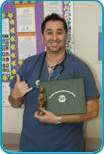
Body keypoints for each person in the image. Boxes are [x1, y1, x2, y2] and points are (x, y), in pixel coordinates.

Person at [9, 13, 100, 152]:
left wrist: (58, 119)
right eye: (49, 32)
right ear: (43, 37)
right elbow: (15, 104)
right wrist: (15, 95)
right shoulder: (29, 65)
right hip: (31, 146)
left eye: (59, 32)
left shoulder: (80, 68)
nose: (54, 38)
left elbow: (93, 110)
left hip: (68, 147)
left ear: (66, 36)